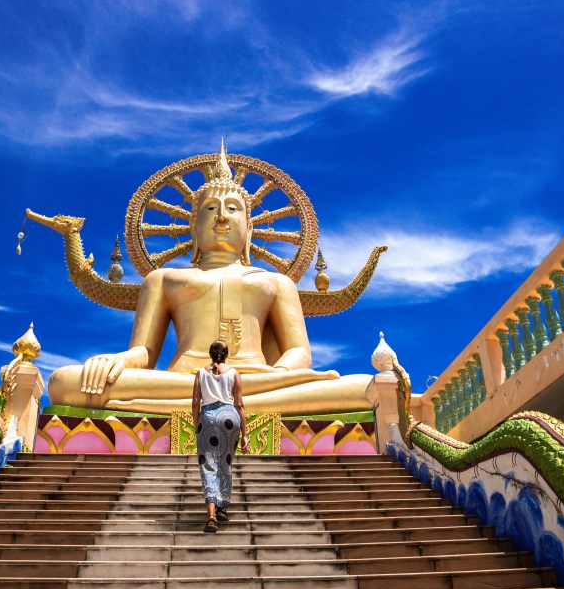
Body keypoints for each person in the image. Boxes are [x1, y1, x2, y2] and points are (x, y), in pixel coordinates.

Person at [45, 142, 373, 415]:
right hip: (184, 381)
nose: (221, 217)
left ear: (249, 229)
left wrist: (278, 376)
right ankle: (231, 397)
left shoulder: (276, 283)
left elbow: (299, 354)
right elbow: (143, 354)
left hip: (258, 379)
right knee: (64, 381)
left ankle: (207, 398)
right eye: (210, 209)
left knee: (365, 388)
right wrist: (116, 360)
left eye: (232, 208)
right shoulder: (164, 278)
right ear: (192, 226)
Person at [193, 340, 250, 533]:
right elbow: (240, 405)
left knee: (208, 466)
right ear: (227, 354)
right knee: (225, 463)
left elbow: (195, 401)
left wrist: (196, 423)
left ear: (210, 354)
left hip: (207, 418)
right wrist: (245, 434)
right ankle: (223, 507)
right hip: (229, 418)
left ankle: (211, 516)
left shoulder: (200, 373)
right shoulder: (235, 373)